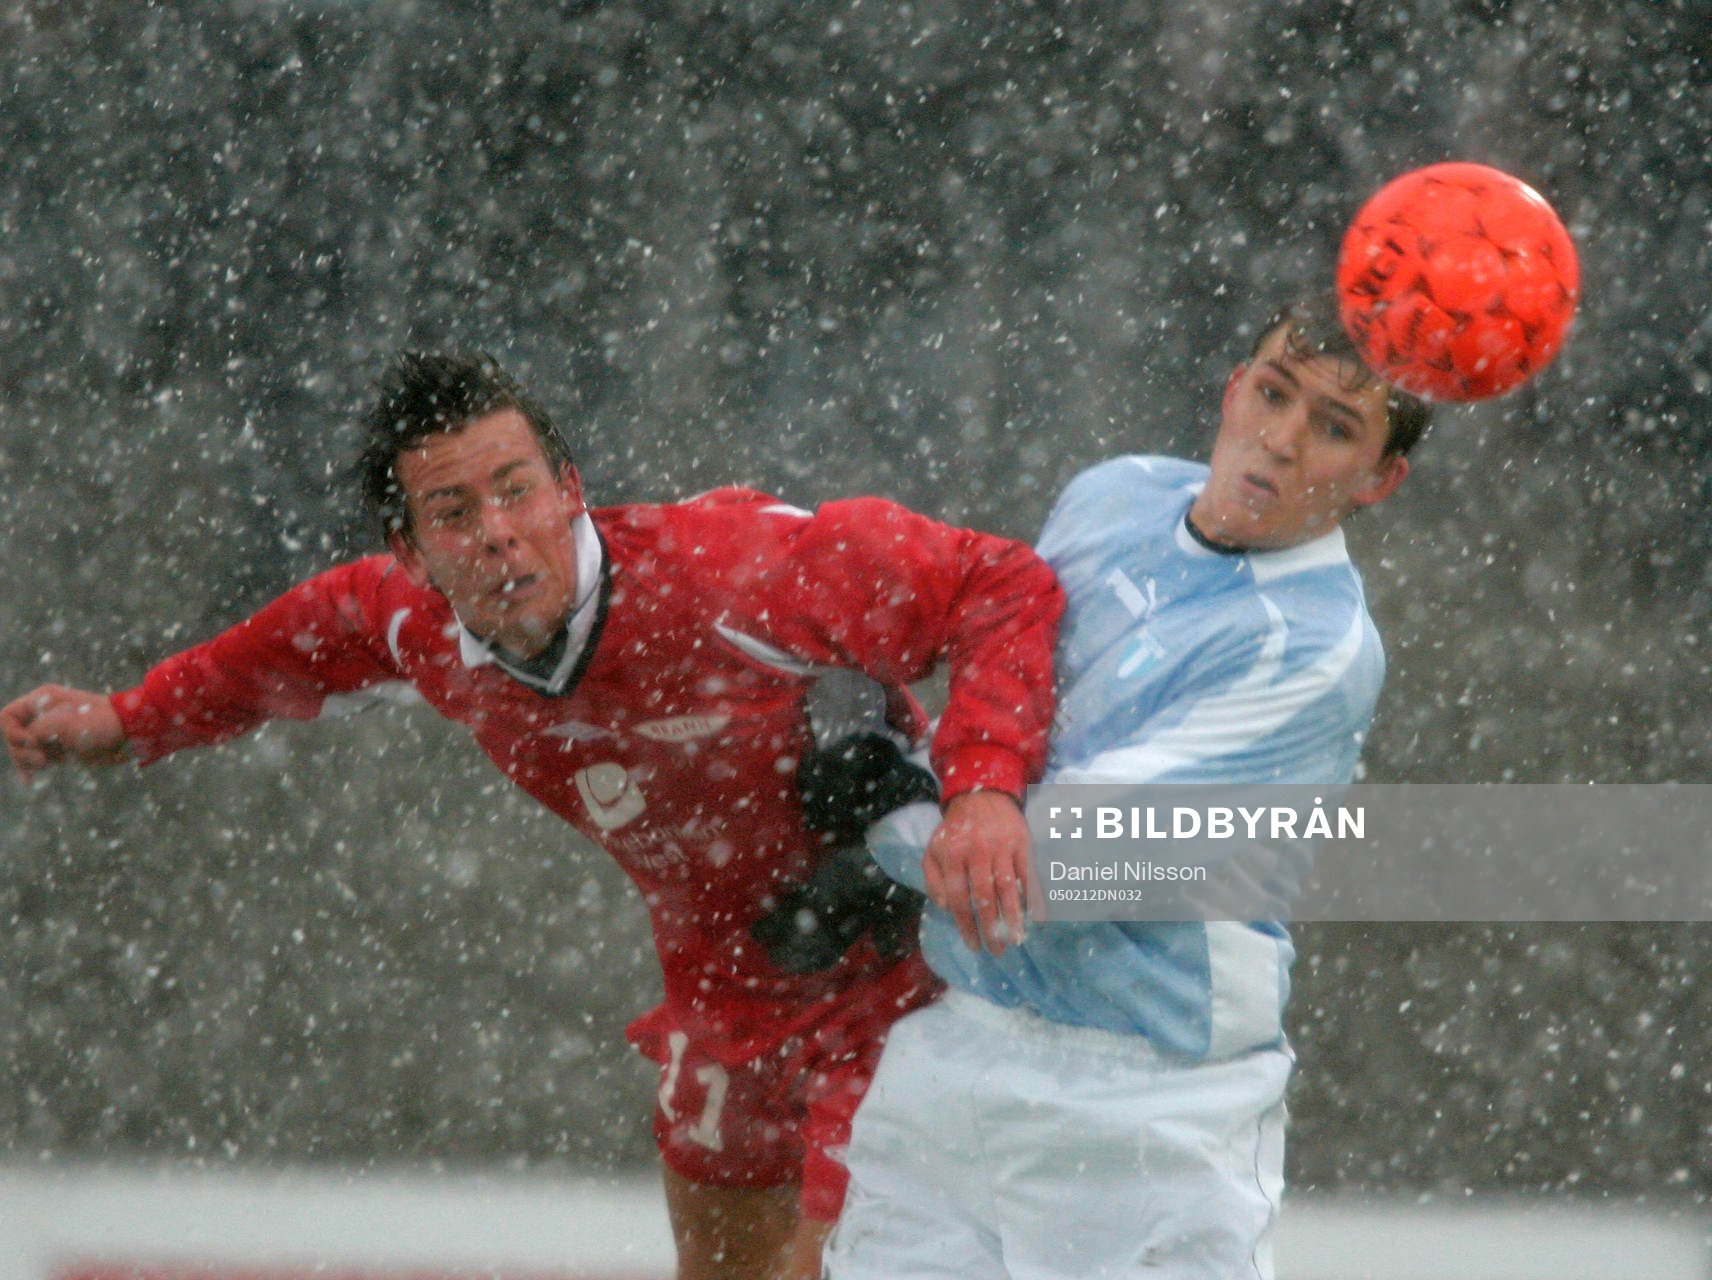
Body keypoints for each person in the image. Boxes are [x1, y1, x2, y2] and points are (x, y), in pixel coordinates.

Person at [1, 351, 1063, 1280]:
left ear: (570, 491)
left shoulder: (730, 574)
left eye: (515, 491)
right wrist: (128, 719)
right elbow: (294, 642)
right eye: (455, 514)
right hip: (724, 993)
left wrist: (978, 789)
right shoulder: (417, 626)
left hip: (890, 978)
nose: (498, 535)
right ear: (413, 550)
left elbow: (1001, 582)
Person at [825, 293, 1431, 1280]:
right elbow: (1005, 718)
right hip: (958, 1040)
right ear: (1234, 386)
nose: (1278, 441)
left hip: (1142, 1097)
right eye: (1272, 393)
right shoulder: (1114, 493)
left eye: (1332, 427)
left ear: (1379, 476)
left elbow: (1057, 862)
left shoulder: (1316, 648)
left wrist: (884, 807)